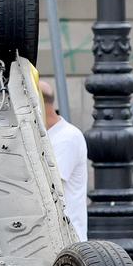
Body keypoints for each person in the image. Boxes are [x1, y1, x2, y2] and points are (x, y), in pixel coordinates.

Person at [40, 78, 88, 240]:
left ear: (39, 103)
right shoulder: (45, 136)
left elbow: (49, 184)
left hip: (68, 239)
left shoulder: (67, 137)